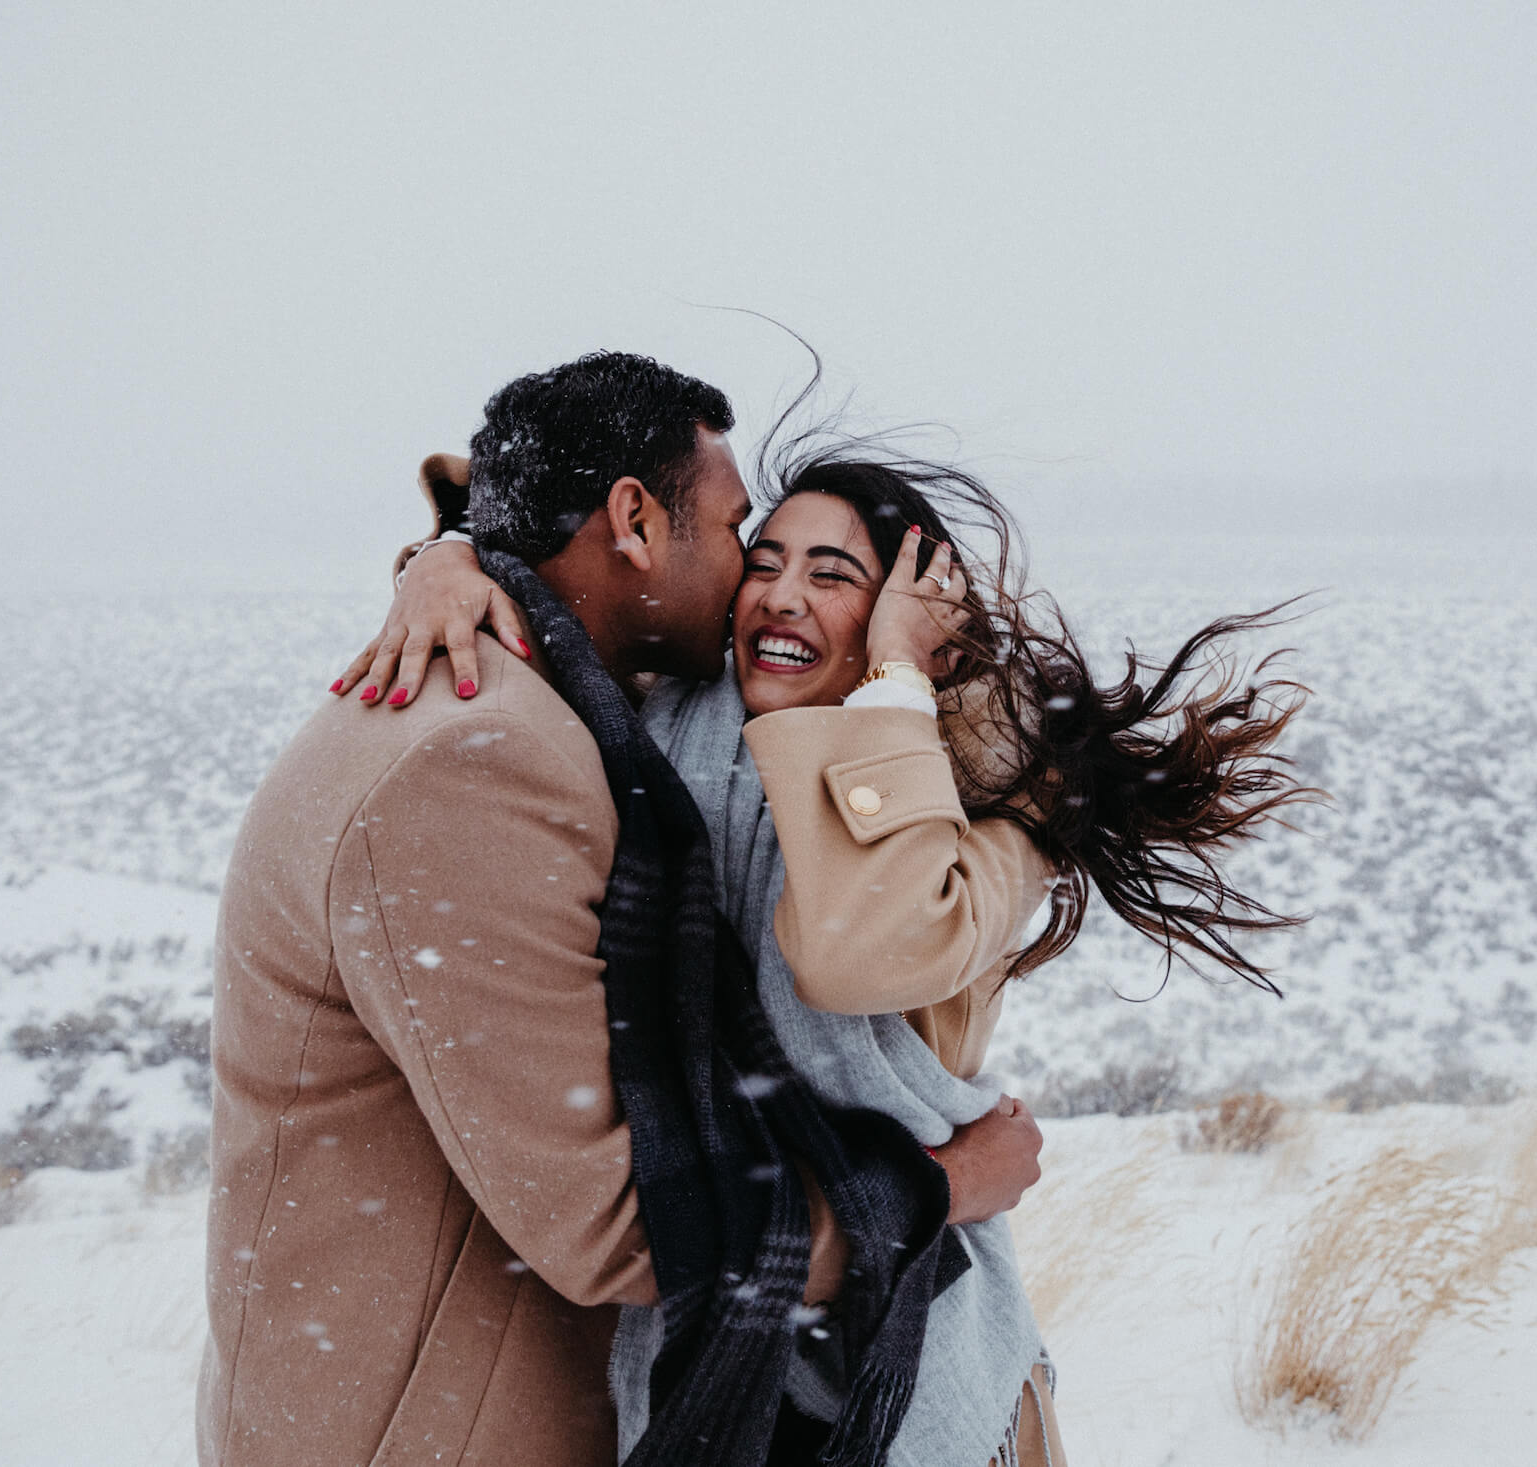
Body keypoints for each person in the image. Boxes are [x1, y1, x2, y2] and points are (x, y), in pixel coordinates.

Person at [349, 422, 1315, 1466]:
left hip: (898, 1328)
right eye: (761, 563)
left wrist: (895, 679)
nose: (781, 596)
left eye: (833, 575)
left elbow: (854, 953)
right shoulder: (671, 730)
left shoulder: (994, 825)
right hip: (717, 1318)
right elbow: (543, 540)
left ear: (910, 618)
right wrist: (443, 562)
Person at [199, 353, 1046, 1467]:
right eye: (744, 531)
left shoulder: (565, 697)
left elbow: (510, 502)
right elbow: (613, 1223)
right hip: (426, 1425)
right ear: (636, 521)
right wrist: (935, 1189)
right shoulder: (482, 750)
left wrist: (453, 553)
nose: (758, 577)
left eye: (825, 571)